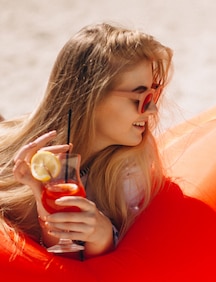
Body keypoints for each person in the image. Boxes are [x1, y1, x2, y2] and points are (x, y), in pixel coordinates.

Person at [0, 23, 173, 258]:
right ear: (92, 98)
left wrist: (103, 237)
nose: (152, 109)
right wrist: (36, 196)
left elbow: (84, 274)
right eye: (141, 97)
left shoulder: (131, 173)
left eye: (155, 94)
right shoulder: (23, 163)